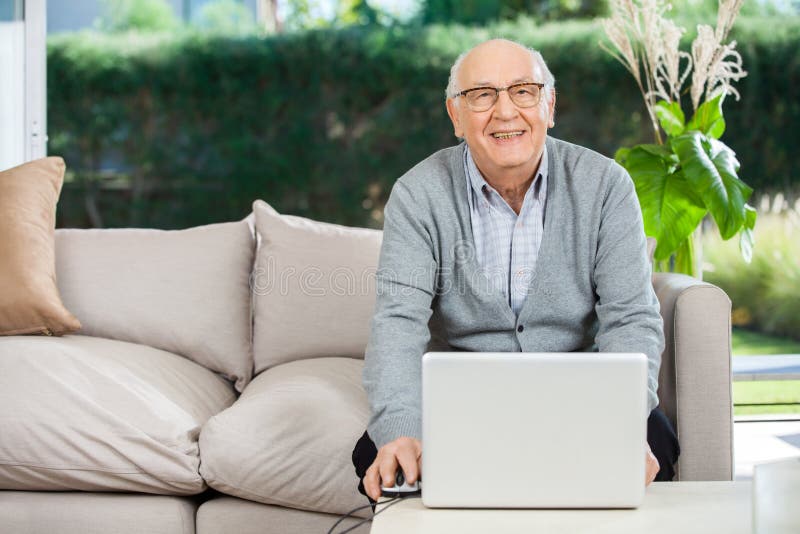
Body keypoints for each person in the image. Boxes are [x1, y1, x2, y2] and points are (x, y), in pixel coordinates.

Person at [351, 38, 679, 505]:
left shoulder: (606, 186)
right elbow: (397, 324)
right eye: (482, 95)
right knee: (380, 459)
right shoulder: (417, 195)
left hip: (580, 400)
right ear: (456, 117)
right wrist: (401, 429)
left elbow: (630, 318)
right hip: (464, 403)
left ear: (549, 106)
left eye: (524, 91)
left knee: (657, 442)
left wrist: (623, 421)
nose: (505, 112)